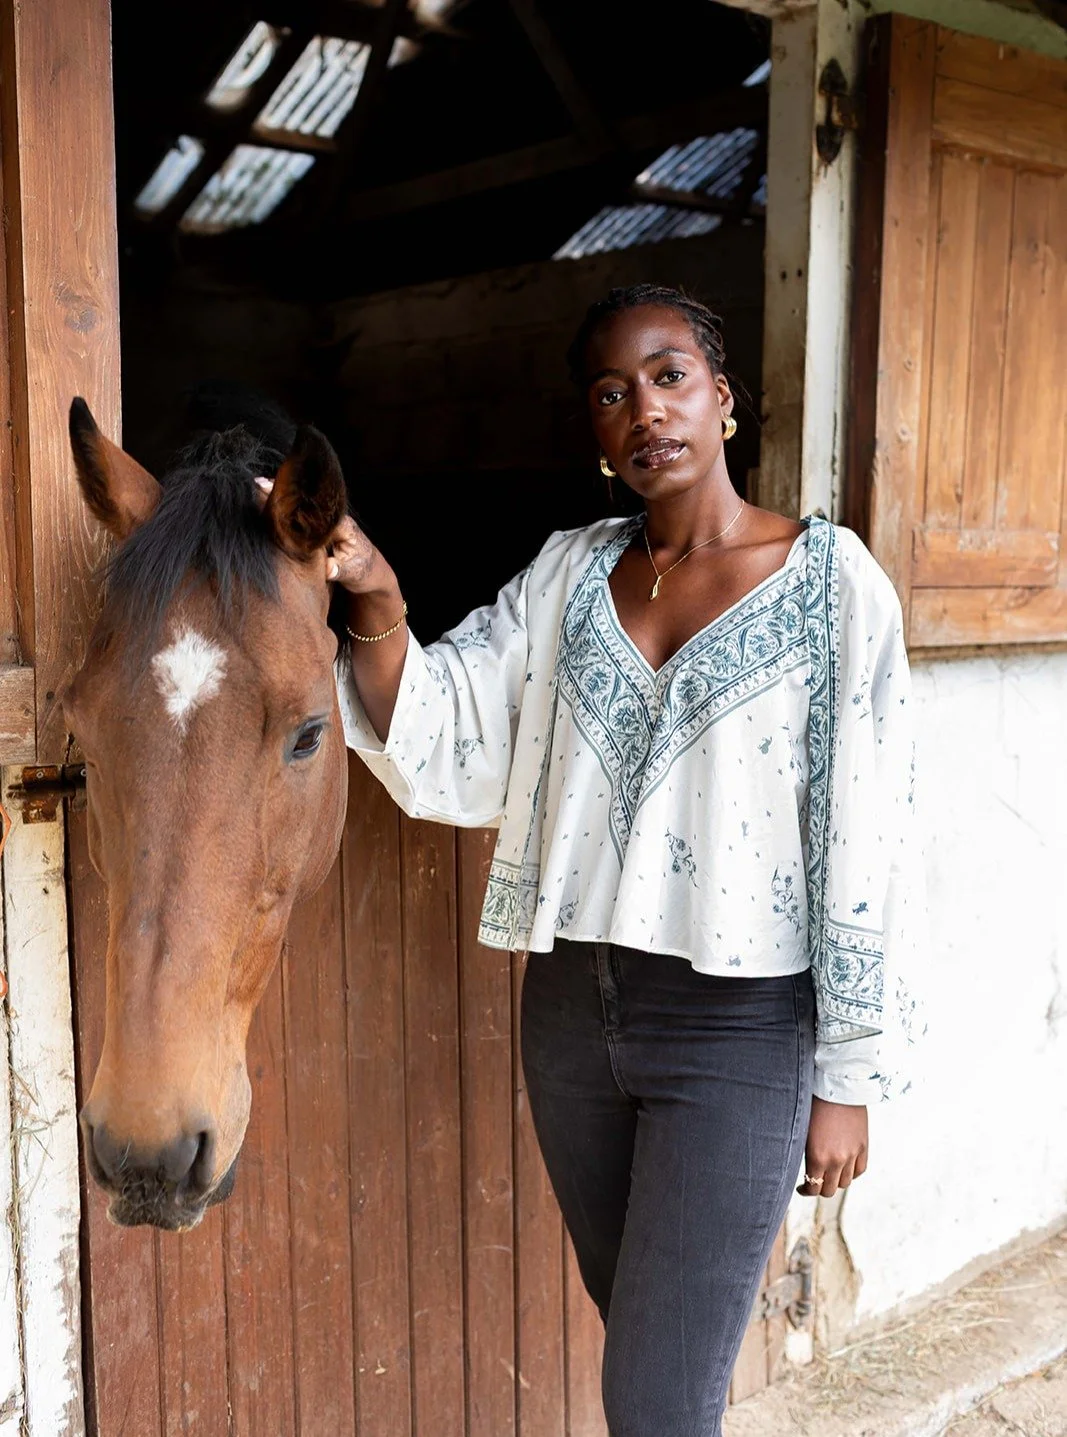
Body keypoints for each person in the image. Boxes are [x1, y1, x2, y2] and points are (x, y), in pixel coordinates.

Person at [322, 284, 925, 1437]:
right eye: (610, 393)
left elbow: (865, 832)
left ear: (722, 400)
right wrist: (381, 598)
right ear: (595, 437)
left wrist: (844, 1072)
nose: (643, 409)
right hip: (571, 1014)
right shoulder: (565, 577)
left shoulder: (829, 585)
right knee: (650, 1361)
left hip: (737, 1027)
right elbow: (446, 722)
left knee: (651, 1400)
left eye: (666, 376)